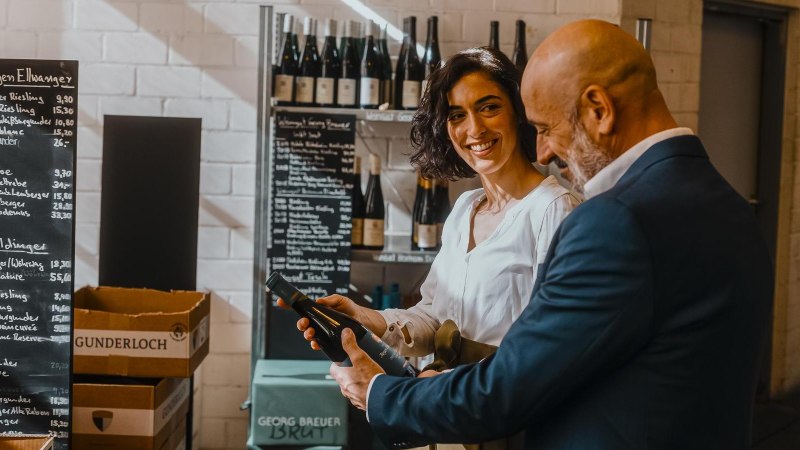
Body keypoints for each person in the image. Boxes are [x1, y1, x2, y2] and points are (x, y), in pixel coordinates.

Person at [328, 19, 773, 449]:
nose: (541, 149)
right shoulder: (728, 204)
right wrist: (376, 322)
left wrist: (383, 394)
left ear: (599, 109)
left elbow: (512, 385)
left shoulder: (613, 221)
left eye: (545, 129)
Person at [285, 46, 578, 369]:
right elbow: (434, 317)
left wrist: (443, 386)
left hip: (503, 408)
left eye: (489, 107)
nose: (474, 129)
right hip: (445, 404)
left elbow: (552, 348)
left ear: (518, 112)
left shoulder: (554, 211)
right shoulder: (466, 208)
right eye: (457, 115)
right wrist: (364, 318)